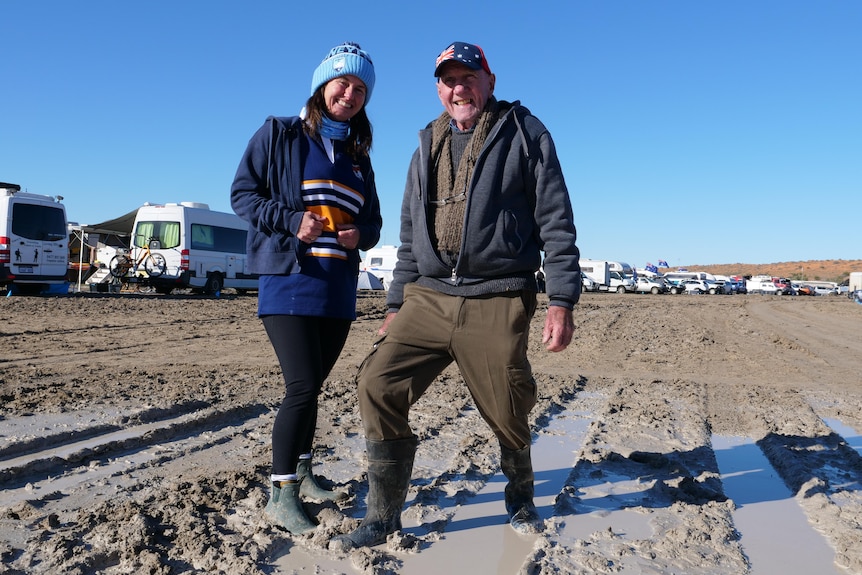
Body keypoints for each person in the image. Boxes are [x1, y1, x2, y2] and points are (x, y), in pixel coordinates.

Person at [331, 41, 580, 550]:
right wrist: (396, 302)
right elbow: (408, 234)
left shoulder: (525, 133)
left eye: (469, 77)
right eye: (448, 79)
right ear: (438, 88)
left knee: (506, 404)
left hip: (497, 295)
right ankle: (384, 515)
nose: (458, 87)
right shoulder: (427, 143)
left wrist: (561, 299)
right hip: (428, 296)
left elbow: (555, 218)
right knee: (377, 382)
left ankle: (520, 495)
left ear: (489, 81)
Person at [230, 41, 382, 535]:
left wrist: (365, 235)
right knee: (300, 387)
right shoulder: (280, 134)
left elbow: (373, 221)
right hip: (291, 282)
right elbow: (243, 195)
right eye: (343, 82)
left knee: (313, 387)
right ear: (322, 85)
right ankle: (280, 494)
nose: (351, 93)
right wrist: (291, 219)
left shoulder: (358, 155)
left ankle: (303, 472)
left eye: (361, 88)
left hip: (338, 289)